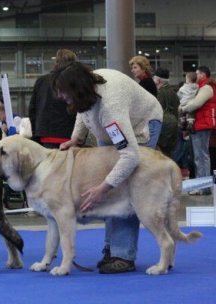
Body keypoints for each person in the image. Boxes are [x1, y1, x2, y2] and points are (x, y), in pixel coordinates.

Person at [53, 61, 162, 274]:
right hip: (109, 129)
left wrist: (102, 188)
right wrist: (75, 138)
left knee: (124, 189)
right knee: (110, 183)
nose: (59, 96)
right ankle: (111, 249)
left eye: (62, 91)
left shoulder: (111, 107)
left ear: (76, 89)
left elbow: (130, 156)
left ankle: (123, 255)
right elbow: (82, 111)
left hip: (142, 125)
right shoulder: (87, 90)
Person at [28, 49, 78, 148]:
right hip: (71, 135)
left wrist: (36, 133)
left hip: (46, 136)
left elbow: (32, 110)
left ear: (56, 62)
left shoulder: (41, 81)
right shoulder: (75, 81)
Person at [180, 66, 216, 196]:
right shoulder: (201, 87)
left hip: (202, 124)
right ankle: (203, 186)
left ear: (203, 74)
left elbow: (196, 103)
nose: (195, 75)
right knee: (200, 156)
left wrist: (182, 109)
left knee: (201, 157)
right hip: (199, 124)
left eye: (197, 73)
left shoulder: (206, 87)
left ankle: (203, 187)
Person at [152, 68, 180, 158]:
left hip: (163, 131)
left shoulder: (160, 93)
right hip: (173, 130)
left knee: (161, 157)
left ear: (158, 80)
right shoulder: (173, 93)